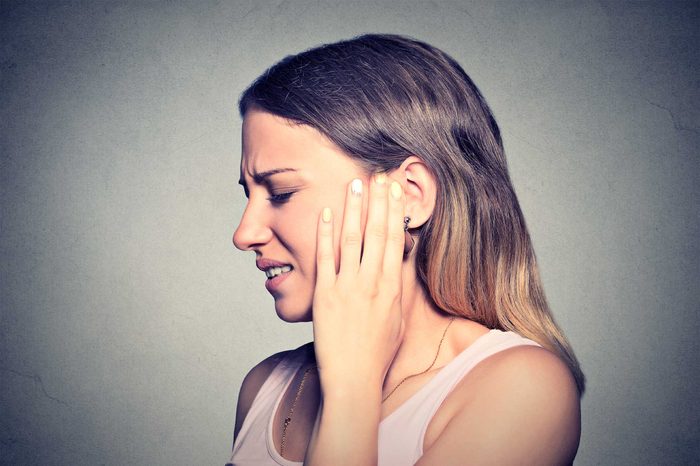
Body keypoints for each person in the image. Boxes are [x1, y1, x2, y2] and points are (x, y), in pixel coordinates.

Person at [227, 34, 584, 466]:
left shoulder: (520, 388)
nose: (244, 233)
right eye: (248, 195)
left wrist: (352, 387)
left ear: (410, 195)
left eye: (281, 192)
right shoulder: (266, 386)